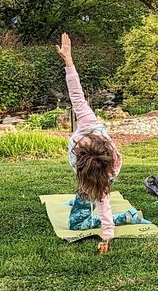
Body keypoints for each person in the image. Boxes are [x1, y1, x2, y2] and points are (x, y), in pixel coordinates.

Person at [57, 34, 143, 254]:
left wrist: (107, 234)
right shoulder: (88, 121)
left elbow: (103, 200)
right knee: (91, 193)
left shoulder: (108, 167)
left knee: (78, 221)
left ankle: (127, 217)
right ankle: (83, 197)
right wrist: (68, 60)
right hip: (96, 169)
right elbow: (76, 93)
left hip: (103, 171)